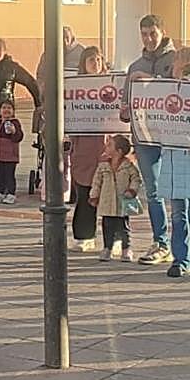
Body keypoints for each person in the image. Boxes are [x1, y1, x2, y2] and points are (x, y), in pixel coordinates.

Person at [120, 14, 178, 266]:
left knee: (177, 191)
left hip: (173, 138)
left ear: (162, 32)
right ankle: (161, 242)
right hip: (144, 138)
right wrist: (124, 109)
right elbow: (126, 102)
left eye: (153, 33)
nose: (148, 38)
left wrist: (152, 81)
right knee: (153, 191)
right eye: (144, 34)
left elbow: (181, 90)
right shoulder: (134, 66)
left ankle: (181, 246)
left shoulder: (177, 60)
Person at [0, 38, 41, 199]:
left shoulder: (12, 67)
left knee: (6, 154)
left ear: (4, 51)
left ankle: (7, 188)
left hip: (5, 117)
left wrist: (38, 104)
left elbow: (31, 82)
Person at [69, 47, 111, 252]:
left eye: (98, 59)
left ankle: (115, 239)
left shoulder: (111, 84)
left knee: (111, 194)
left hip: (106, 146)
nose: (95, 63)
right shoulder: (76, 87)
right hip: (84, 147)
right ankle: (84, 235)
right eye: (91, 60)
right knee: (85, 192)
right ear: (83, 64)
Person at [158, 47, 190, 278]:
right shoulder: (166, 88)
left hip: (185, 153)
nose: (173, 62)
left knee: (182, 212)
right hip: (173, 156)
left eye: (178, 58)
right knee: (178, 212)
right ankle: (180, 259)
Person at [90, 135, 142, 262]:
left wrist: (132, 190)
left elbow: (136, 179)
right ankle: (107, 248)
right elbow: (96, 182)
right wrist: (94, 195)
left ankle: (126, 248)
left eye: (110, 145)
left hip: (122, 203)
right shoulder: (103, 166)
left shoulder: (128, 166)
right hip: (107, 203)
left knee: (124, 227)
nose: (106, 147)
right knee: (107, 226)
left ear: (118, 151)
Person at [0, 99, 24, 204]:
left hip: (10, 155)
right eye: (4, 108)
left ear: (13, 111)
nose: (6, 110)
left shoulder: (15, 123)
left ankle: (11, 193)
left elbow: (19, 137)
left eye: (9, 108)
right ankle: (1, 192)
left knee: (9, 175)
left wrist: (14, 131)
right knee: (0, 174)